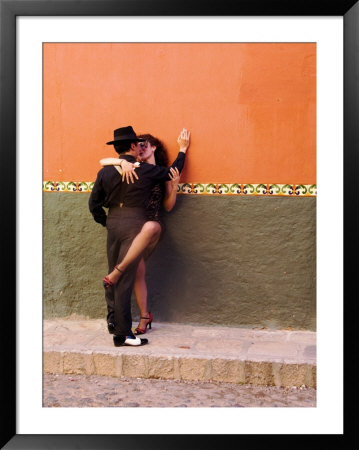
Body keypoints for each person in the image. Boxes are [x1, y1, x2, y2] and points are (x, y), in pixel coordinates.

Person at [89, 126, 188, 347]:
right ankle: (124, 335)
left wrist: (106, 222)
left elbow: (93, 204)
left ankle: (114, 324)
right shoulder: (143, 170)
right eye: (137, 144)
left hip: (113, 222)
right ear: (133, 146)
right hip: (134, 223)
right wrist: (182, 151)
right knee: (123, 277)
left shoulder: (105, 172)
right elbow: (173, 171)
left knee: (114, 272)